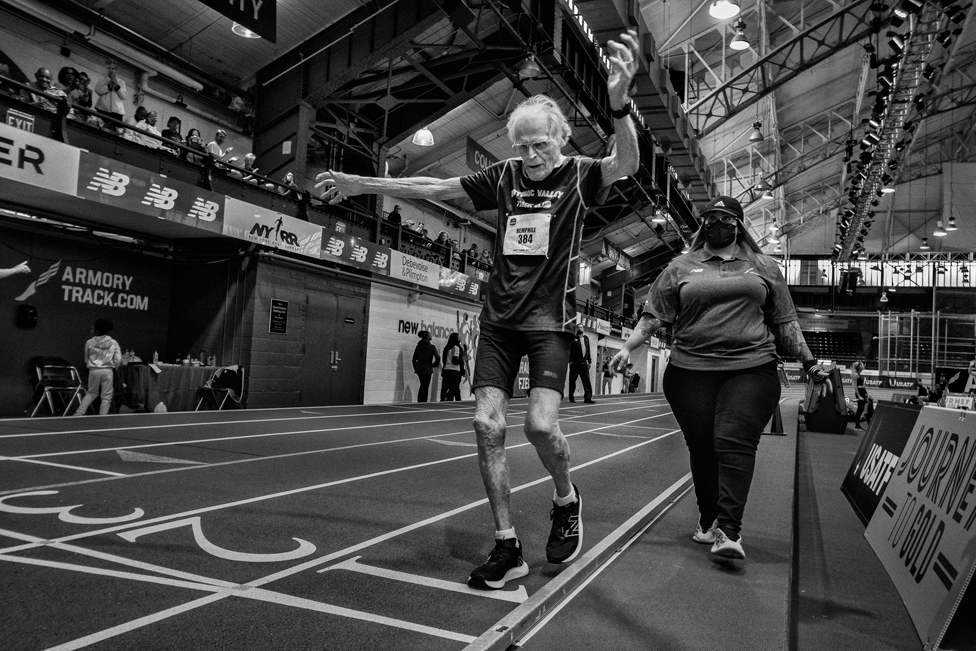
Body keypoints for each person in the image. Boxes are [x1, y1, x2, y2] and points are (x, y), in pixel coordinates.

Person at [315, 28, 640, 589]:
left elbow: (627, 161)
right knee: (486, 426)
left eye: (541, 145)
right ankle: (507, 544)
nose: (531, 156)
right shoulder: (505, 176)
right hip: (499, 321)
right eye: (523, 146)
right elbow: (434, 189)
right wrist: (358, 182)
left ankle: (566, 499)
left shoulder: (582, 175)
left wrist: (618, 103)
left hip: (551, 323)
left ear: (560, 139)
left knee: (540, 427)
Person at [612, 194, 831, 562]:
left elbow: (785, 321)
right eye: (711, 218)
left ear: (739, 225)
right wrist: (627, 347)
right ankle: (708, 518)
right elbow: (654, 317)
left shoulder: (763, 266)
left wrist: (808, 363)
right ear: (704, 224)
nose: (717, 224)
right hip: (689, 372)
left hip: (751, 367)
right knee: (702, 447)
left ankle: (729, 529)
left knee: (733, 439)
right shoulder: (680, 266)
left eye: (726, 218)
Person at [75, 318, 122, 416]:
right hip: (108, 371)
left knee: (91, 393)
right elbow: (118, 359)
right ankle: (102, 416)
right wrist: (114, 366)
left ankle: (79, 413)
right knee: (106, 396)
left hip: (94, 371)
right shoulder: (113, 343)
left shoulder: (89, 342)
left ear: (96, 329)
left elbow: (86, 359)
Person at [94, 59, 128, 130]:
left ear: (116, 70)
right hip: (102, 108)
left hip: (117, 111)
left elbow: (124, 96)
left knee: (117, 130)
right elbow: (98, 90)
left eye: (113, 68)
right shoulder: (102, 79)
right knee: (99, 127)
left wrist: (117, 86)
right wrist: (108, 86)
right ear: (106, 68)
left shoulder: (121, 82)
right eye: (108, 68)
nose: (110, 70)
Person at [568, 324, 594, 403]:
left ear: (583, 329)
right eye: (578, 327)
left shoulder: (586, 338)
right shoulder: (573, 338)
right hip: (575, 363)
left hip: (584, 363)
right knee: (572, 381)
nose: (580, 328)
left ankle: (588, 398)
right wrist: (570, 361)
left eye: (581, 327)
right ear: (576, 329)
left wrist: (589, 360)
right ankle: (571, 397)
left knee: (587, 381)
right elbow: (569, 350)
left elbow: (588, 349)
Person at [412, 331, 439, 402]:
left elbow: (414, 359)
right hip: (427, 368)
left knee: (422, 385)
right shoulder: (432, 347)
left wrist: (416, 367)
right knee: (425, 386)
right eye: (430, 335)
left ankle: (420, 400)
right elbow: (438, 358)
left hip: (419, 368)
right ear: (427, 336)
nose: (431, 336)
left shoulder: (418, 346)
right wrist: (434, 365)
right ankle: (423, 401)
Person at [440, 332, 465, 402]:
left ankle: (444, 399)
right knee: (453, 387)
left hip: (446, 368)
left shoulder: (447, 348)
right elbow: (455, 360)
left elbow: (444, 360)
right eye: (459, 337)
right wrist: (461, 361)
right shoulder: (456, 347)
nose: (460, 338)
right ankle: (450, 399)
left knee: (446, 386)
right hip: (454, 369)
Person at [851, 360, 869, 430]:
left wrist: (866, 394)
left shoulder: (859, 374)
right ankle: (857, 426)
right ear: (859, 367)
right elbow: (855, 386)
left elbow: (863, 386)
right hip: (860, 393)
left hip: (862, 392)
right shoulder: (855, 374)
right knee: (860, 409)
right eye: (862, 365)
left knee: (863, 409)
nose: (864, 365)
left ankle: (859, 424)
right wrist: (859, 396)